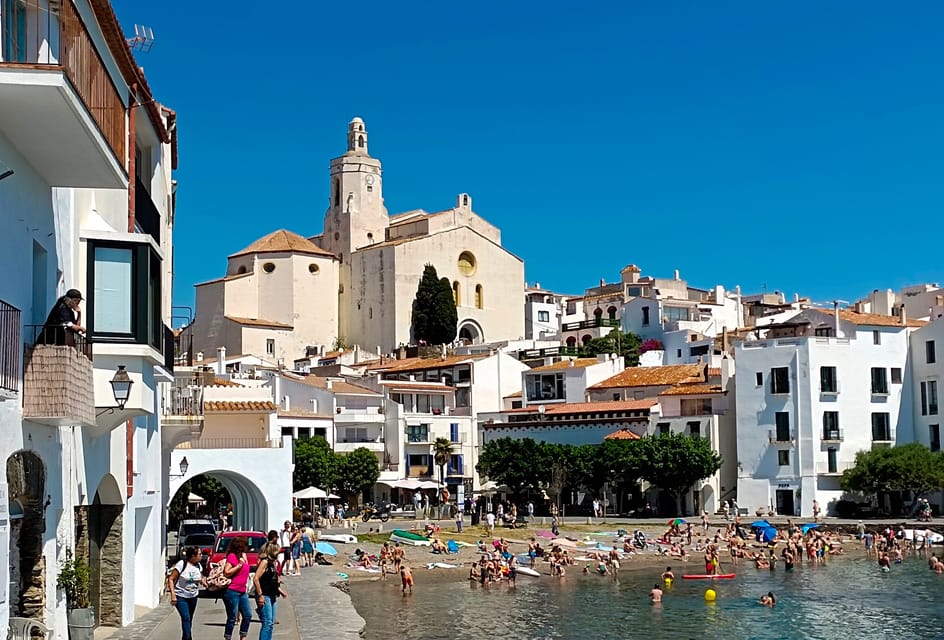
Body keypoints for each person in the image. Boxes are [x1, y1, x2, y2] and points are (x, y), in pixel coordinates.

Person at [167, 546, 207, 640]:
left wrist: (203, 581)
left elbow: (200, 577)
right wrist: (173, 595)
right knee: (186, 618)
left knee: (189, 620)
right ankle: (189, 638)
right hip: (181, 596)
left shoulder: (198, 565)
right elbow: (171, 579)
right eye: (199, 554)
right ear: (193, 556)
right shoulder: (182, 564)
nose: (201, 556)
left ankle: (186, 637)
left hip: (193, 596)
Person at [252, 542, 286, 640]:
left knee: (270, 624)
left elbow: (272, 580)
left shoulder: (272, 563)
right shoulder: (265, 562)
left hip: (272, 595)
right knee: (267, 623)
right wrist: (260, 595)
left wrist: (280, 590)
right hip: (265, 595)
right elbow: (256, 578)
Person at [221, 536, 252, 640]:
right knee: (232, 617)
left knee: (247, 615)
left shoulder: (243, 556)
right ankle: (228, 637)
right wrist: (239, 565)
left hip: (242, 591)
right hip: (232, 591)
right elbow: (227, 572)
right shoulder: (232, 556)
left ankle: (243, 637)